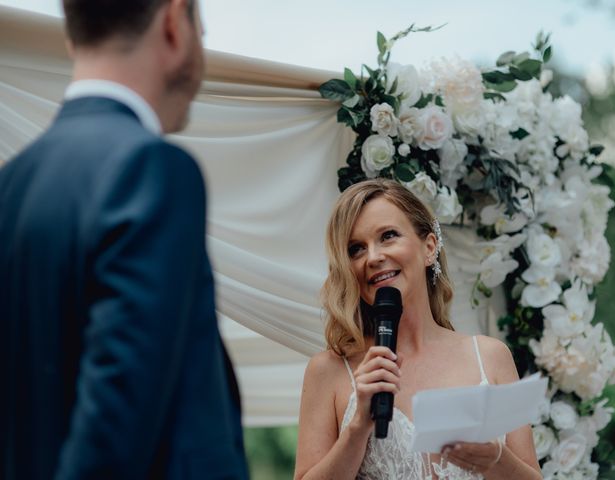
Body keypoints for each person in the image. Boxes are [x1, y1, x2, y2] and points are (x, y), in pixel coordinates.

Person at [0, 0, 248, 478]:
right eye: (203, 29)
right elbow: (114, 424)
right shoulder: (151, 170)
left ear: (74, 38)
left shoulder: (10, 186)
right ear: (175, 23)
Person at [294, 179, 542, 479]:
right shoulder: (329, 370)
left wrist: (495, 459)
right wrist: (358, 427)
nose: (373, 257)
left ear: (429, 247)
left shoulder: (489, 356)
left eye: (388, 236)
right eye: (356, 249)